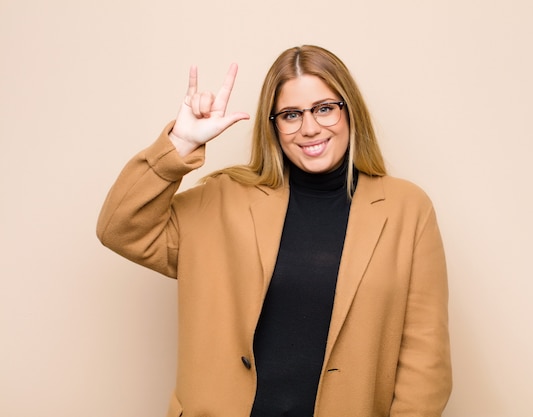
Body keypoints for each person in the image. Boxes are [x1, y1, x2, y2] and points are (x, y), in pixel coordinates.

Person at [97, 45, 451, 417]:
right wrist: (180, 143)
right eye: (291, 114)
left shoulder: (407, 209)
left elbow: (425, 359)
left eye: (325, 108)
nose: (309, 127)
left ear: (350, 111)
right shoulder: (222, 200)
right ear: (274, 126)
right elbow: (120, 228)